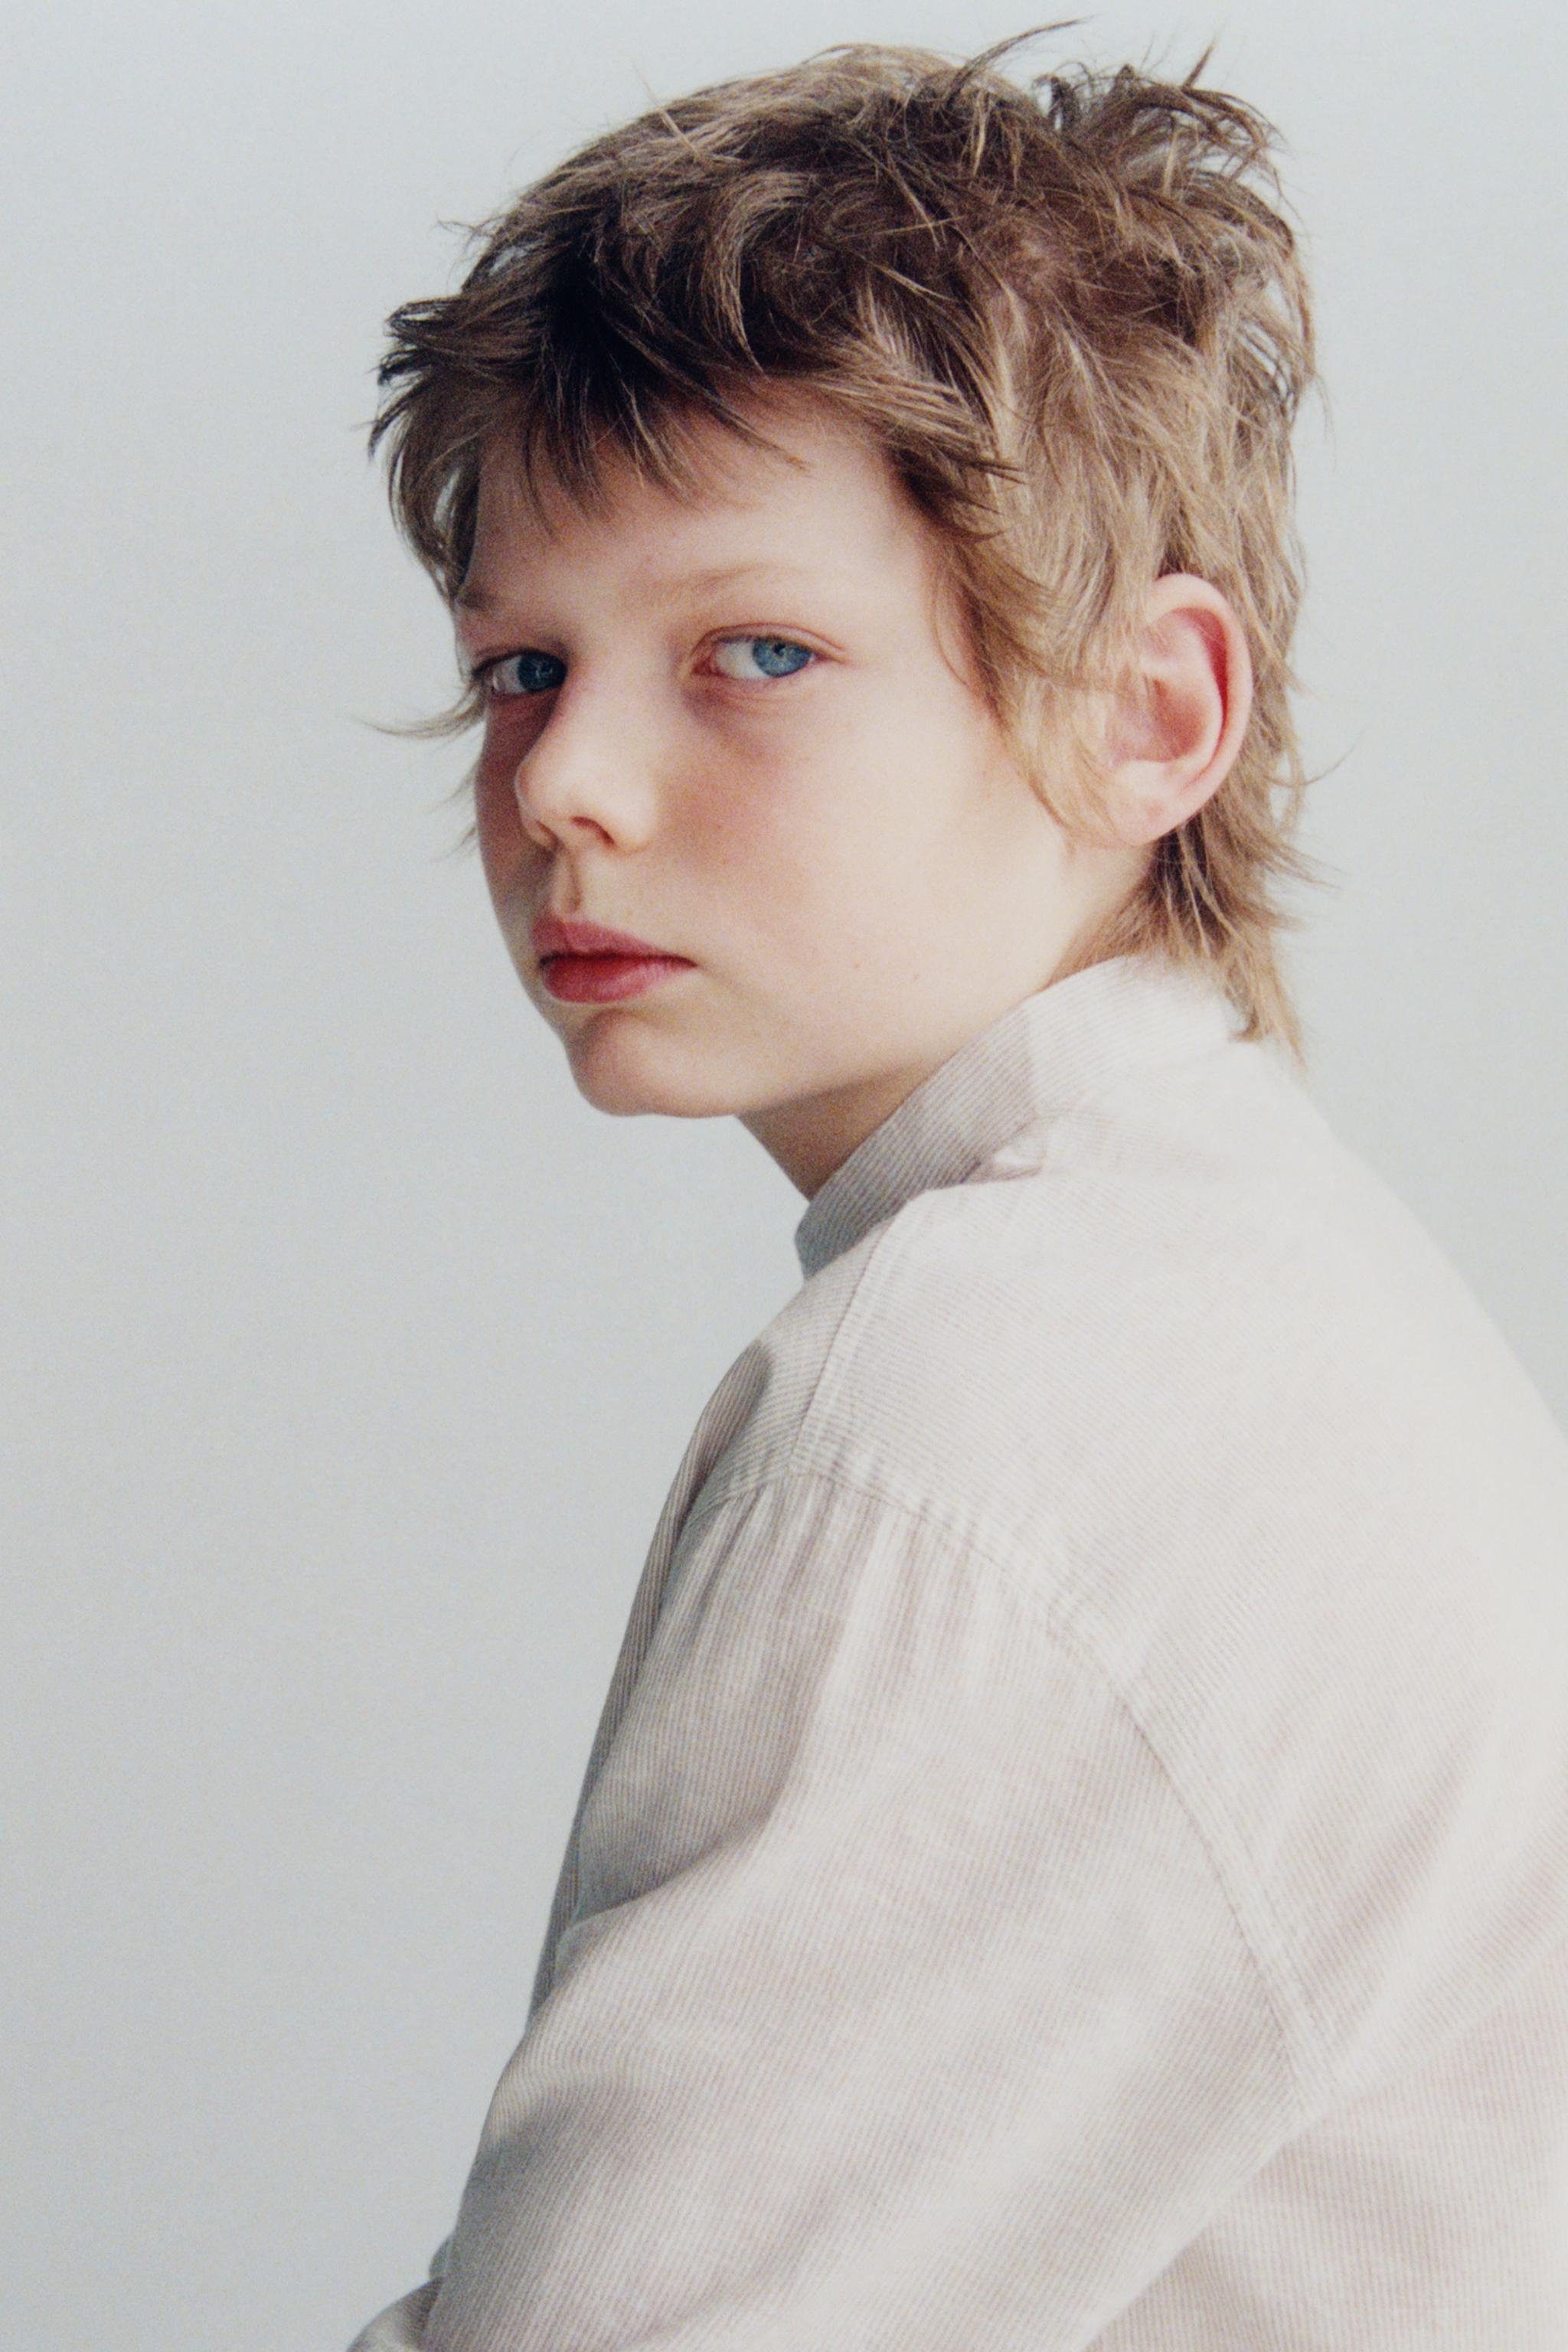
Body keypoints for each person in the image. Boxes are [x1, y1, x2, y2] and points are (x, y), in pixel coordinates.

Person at [347, 34, 1568, 2350]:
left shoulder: (984, 1419)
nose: (568, 781)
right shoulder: (1228, 1274)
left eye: (756, 653)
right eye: (521, 663)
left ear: (1147, 712)